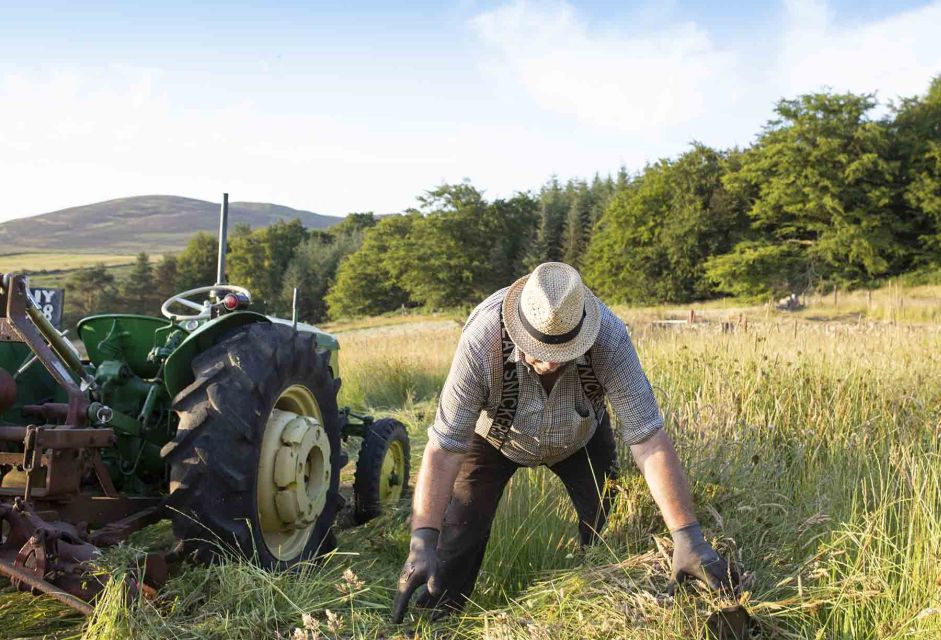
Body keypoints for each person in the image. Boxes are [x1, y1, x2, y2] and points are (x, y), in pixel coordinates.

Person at [392, 262, 736, 622]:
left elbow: (649, 439)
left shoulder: (610, 339)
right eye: (536, 349)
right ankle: (438, 619)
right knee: (459, 532)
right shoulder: (483, 339)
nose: (548, 363)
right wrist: (422, 538)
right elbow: (445, 447)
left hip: (580, 435)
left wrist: (687, 536)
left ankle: (601, 602)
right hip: (493, 438)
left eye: (562, 351)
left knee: (605, 522)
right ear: (517, 327)